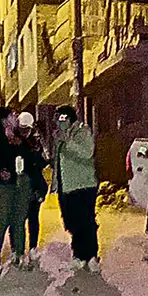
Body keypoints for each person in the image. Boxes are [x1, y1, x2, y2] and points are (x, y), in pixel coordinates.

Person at [0, 107, 32, 273]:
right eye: (12, 115)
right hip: (1, 185)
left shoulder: (19, 137)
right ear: (4, 119)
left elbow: (28, 157)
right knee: (3, 220)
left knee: (19, 220)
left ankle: (19, 253)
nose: (15, 117)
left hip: (20, 185)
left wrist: (22, 144)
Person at [51, 105, 100, 272]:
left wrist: (67, 140)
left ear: (67, 118)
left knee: (86, 221)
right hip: (67, 187)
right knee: (72, 222)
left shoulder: (82, 131)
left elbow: (87, 152)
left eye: (59, 118)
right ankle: (78, 254)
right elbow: (58, 162)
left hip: (84, 185)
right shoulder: (59, 136)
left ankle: (91, 256)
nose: (56, 122)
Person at [9, 111, 49, 267]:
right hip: (18, 187)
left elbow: (42, 163)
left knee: (33, 217)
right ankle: (16, 249)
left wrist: (38, 159)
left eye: (27, 129)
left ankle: (32, 247)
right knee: (17, 219)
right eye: (22, 129)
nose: (25, 132)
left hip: (34, 186)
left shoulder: (36, 143)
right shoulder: (13, 143)